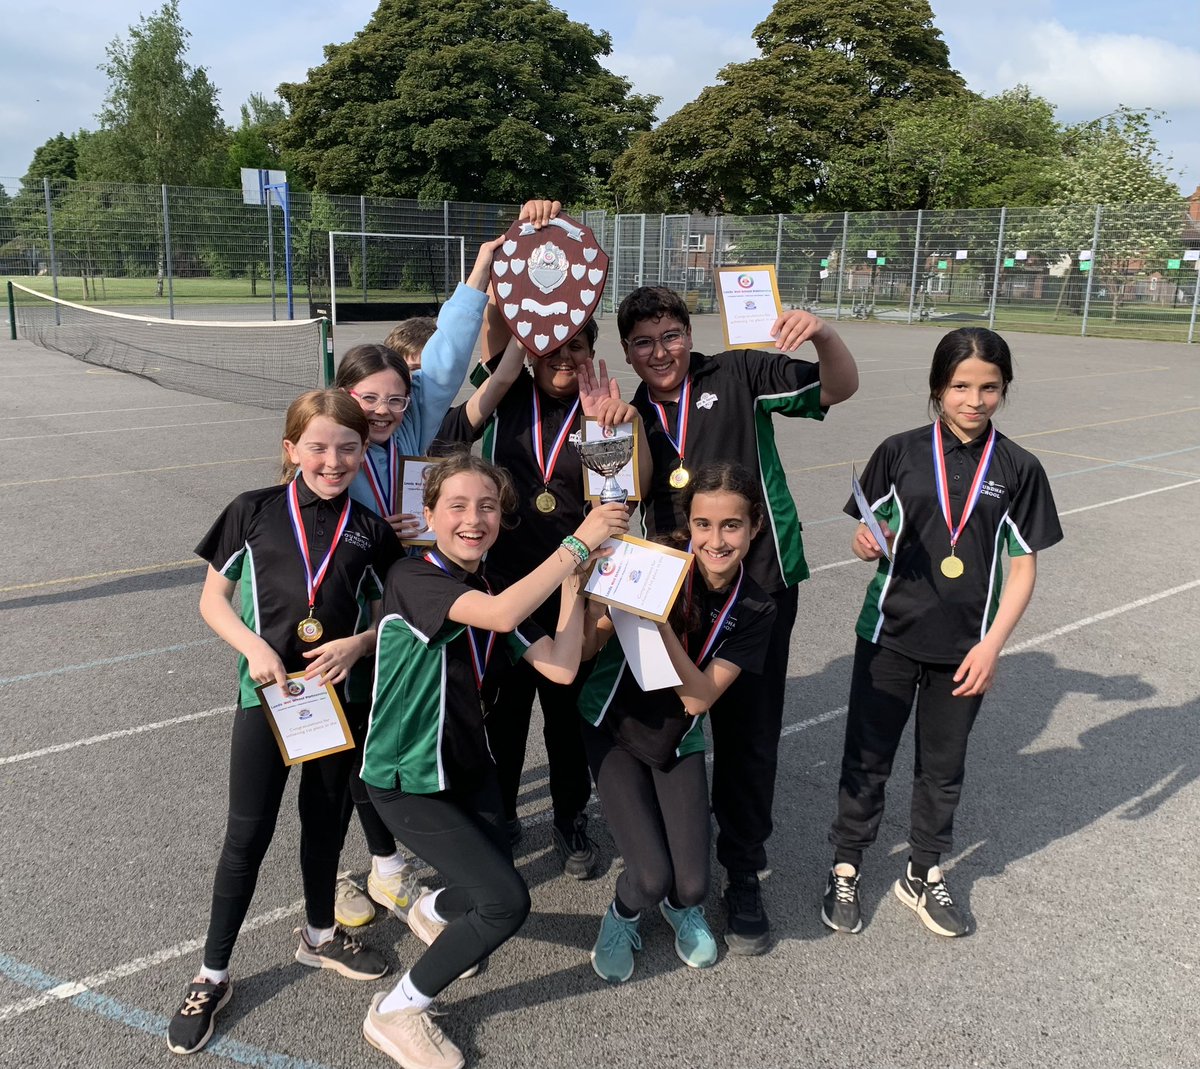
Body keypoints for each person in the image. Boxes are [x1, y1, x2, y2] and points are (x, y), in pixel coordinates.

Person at [359, 453, 628, 1069]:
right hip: (409, 780)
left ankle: (427, 910)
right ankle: (397, 1010)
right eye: (456, 505)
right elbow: (504, 616)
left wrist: (573, 586)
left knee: (484, 882)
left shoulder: (482, 587)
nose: (473, 519)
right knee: (506, 902)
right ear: (429, 516)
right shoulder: (413, 577)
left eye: (486, 506)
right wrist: (577, 540)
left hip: (467, 766)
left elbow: (559, 667)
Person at [618, 282, 859, 955]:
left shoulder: (741, 371)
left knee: (750, 737)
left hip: (759, 586)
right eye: (644, 342)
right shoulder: (630, 414)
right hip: (678, 595)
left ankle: (743, 872)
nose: (660, 350)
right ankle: (671, 861)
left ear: (688, 336)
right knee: (673, 725)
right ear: (629, 354)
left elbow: (837, 388)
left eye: (670, 335)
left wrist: (824, 335)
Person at [167, 390, 403, 1057]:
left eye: (349, 447)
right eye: (320, 446)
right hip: (266, 695)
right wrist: (256, 648)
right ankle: (211, 972)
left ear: (365, 451)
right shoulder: (252, 511)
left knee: (325, 822)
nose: (334, 460)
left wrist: (358, 644)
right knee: (248, 832)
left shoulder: (371, 527)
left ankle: (319, 936)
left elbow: (393, 610)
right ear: (291, 447)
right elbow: (213, 601)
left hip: (333, 698)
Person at [432, 200, 649, 880]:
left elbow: (616, 509)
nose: (563, 357)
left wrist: (607, 429)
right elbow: (504, 319)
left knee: (563, 719)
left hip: (569, 591)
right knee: (500, 718)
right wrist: (533, 228)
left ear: (591, 351)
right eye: (552, 346)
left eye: (577, 346)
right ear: (534, 348)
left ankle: (568, 819)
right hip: (501, 588)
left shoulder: (605, 412)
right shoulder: (507, 391)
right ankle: (497, 819)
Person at [821, 327, 1062, 938]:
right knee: (866, 759)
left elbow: (1025, 562)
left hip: (965, 650)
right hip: (887, 637)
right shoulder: (899, 451)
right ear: (937, 388)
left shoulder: (1019, 467)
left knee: (942, 768)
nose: (974, 400)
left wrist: (992, 645)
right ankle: (846, 864)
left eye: (989, 387)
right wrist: (861, 542)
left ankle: (923, 873)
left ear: (1004, 390)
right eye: (960, 386)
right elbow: (865, 533)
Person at [330, 237, 502, 927]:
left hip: (405, 619)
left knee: (391, 733)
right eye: (370, 399)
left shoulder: (415, 423)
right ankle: (380, 866)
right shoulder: (334, 447)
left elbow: (452, 355)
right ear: (345, 398)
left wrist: (483, 270)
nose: (384, 411)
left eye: (396, 399)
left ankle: (392, 860)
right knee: (358, 743)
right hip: (350, 622)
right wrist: (378, 536)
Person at [580, 462, 777, 983]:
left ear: (754, 527)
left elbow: (700, 698)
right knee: (648, 877)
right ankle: (623, 916)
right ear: (688, 524)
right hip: (614, 724)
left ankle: (678, 909)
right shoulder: (652, 561)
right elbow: (589, 641)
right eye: (704, 525)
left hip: (678, 733)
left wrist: (657, 619)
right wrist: (597, 594)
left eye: (731, 525)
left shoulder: (757, 606)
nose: (716, 540)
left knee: (691, 887)